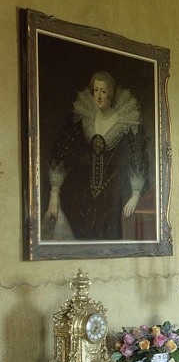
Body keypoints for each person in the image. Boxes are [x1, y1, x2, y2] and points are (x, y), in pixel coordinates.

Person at [45, 71, 147, 240]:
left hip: (113, 190)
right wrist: (54, 191)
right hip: (81, 190)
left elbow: (137, 157)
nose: (99, 96)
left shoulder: (125, 120)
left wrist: (135, 194)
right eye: (96, 90)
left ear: (110, 94)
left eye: (103, 91)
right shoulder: (84, 118)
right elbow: (63, 152)